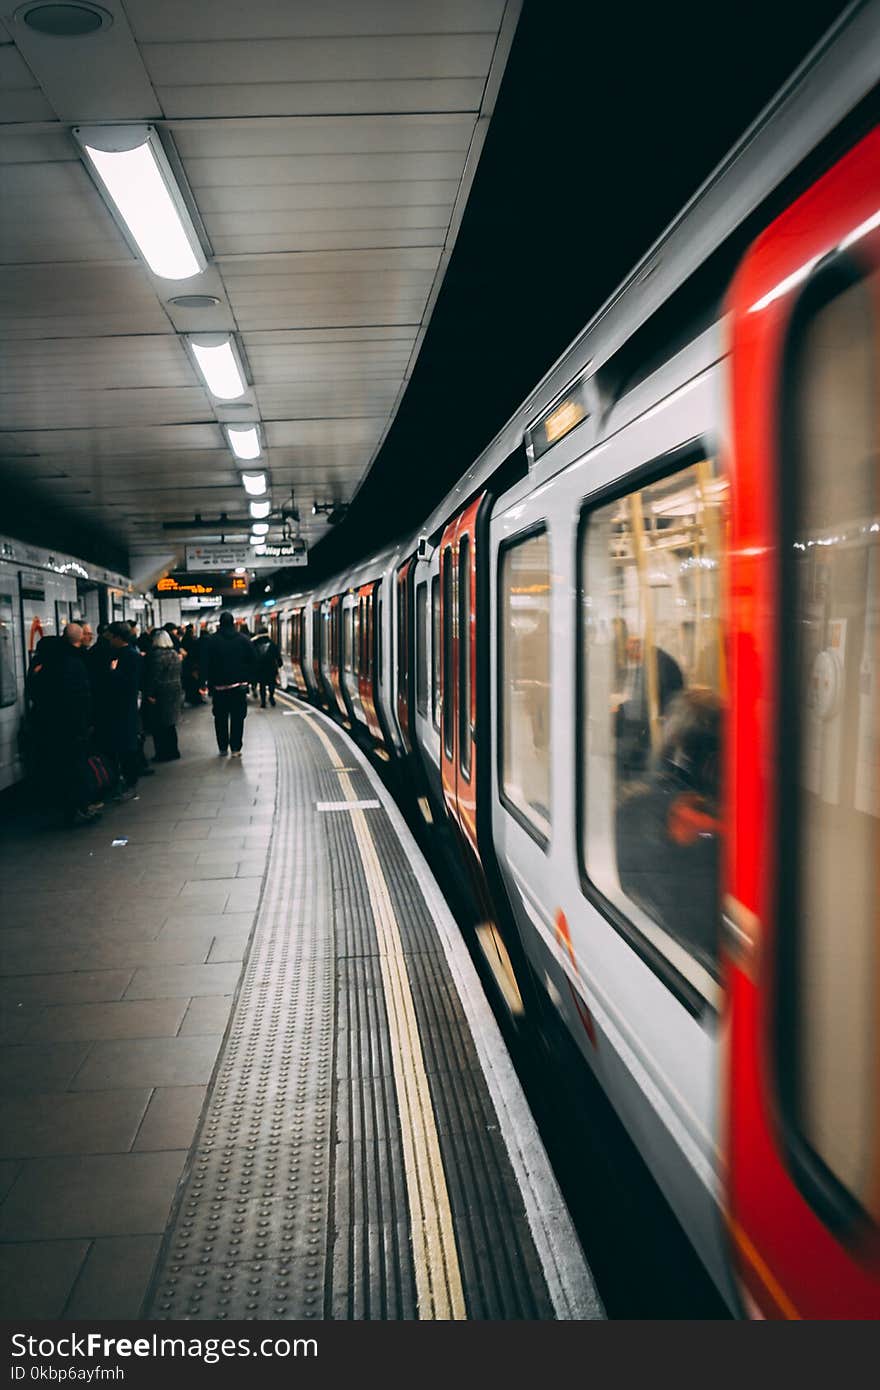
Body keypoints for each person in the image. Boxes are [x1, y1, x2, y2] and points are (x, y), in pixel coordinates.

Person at [26, 622, 97, 826]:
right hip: (74, 726)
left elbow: (35, 694)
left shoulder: (44, 669)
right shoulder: (73, 664)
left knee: (61, 768)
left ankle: (67, 807)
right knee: (76, 767)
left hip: (51, 727)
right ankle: (79, 807)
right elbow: (84, 695)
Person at [95, 620, 143, 798]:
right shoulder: (131, 654)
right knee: (124, 746)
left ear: (117, 637)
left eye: (110, 636)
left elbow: (128, 684)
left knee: (126, 747)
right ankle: (125, 782)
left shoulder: (127, 656)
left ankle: (130, 783)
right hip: (125, 708)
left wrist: (113, 672)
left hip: (122, 708)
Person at [201, 610, 256, 756]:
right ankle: (236, 748)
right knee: (238, 718)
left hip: (219, 689)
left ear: (220, 624)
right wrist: (249, 679)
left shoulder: (211, 641)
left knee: (220, 718)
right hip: (239, 687)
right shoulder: (244, 640)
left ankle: (223, 747)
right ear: (233, 623)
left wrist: (203, 683)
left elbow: (205, 663)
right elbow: (253, 660)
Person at [143, 628, 183, 761]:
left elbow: (154, 676)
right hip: (175, 691)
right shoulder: (174, 653)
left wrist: (149, 693)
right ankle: (174, 751)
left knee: (159, 725)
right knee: (171, 723)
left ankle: (162, 753)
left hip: (161, 693)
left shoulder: (156, 655)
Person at [251, 625, 282, 707]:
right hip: (271, 668)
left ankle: (263, 701)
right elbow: (277, 656)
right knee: (272, 684)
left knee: (262, 685)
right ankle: (271, 697)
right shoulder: (272, 644)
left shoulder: (255, 644)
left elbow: (252, 656)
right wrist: (279, 664)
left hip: (260, 668)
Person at [180, 623, 205, 706]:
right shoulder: (192, 640)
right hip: (193, 665)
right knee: (194, 682)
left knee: (190, 683)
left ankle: (192, 698)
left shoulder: (184, 639)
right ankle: (196, 699)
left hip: (188, 664)